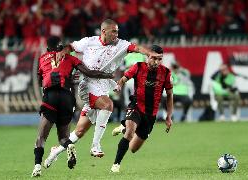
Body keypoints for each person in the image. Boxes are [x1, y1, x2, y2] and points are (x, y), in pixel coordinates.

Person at [43, 19, 160, 168]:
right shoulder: (89, 42)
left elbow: (137, 48)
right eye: (114, 31)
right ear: (104, 31)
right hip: (87, 85)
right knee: (108, 105)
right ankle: (95, 145)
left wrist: (150, 53)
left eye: (117, 31)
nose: (116, 34)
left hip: (103, 86)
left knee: (79, 132)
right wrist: (64, 51)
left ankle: (55, 151)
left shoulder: (120, 44)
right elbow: (71, 46)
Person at [31, 36, 113, 177]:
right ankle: (68, 145)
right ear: (62, 47)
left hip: (50, 96)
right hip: (67, 98)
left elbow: (40, 81)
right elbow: (88, 73)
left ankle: (37, 167)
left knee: (41, 136)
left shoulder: (43, 58)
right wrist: (107, 75)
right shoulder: (70, 58)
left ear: (47, 48)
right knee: (63, 137)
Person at [110, 45, 173, 173]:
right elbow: (123, 79)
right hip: (136, 106)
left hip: (151, 114)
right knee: (130, 133)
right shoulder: (138, 67)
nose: (156, 62)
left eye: (159, 59)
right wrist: (119, 86)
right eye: (154, 58)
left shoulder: (166, 72)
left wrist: (168, 116)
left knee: (133, 148)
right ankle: (116, 165)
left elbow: (170, 95)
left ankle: (123, 128)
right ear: (147, 56)